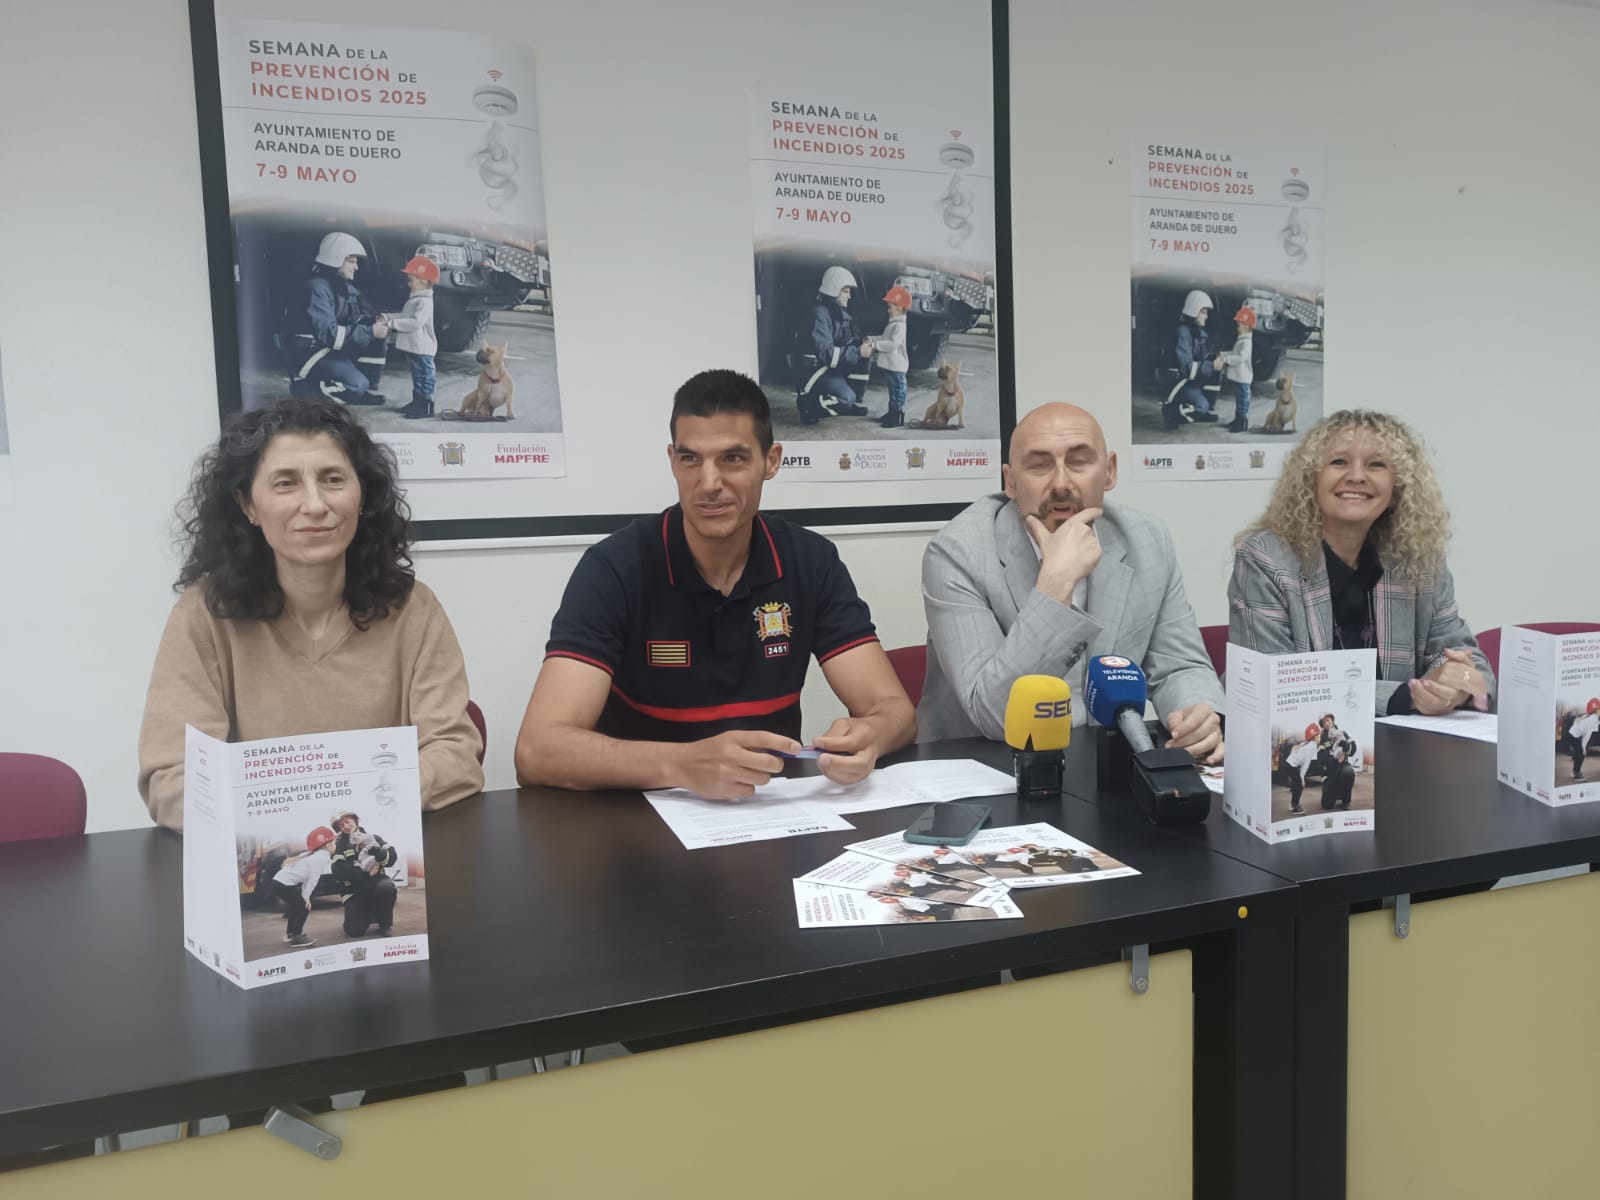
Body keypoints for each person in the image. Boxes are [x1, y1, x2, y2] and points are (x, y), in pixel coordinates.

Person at [514, 369, 916, 798]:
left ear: (772, 461)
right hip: (635, 829)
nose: (708, 484)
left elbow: (896, 712)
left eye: (733, 459)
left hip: (770, 823)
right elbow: (538, 750)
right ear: (672, 460)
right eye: (691, 459)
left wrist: (870, 735)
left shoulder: (809, 561)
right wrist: (683, 764)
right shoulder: (615, 567)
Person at [137, 396, 484, 831]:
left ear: (362, 496)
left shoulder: (415, 608)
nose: (316, 504)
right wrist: (313, 815)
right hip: (259, 861)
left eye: (333, 479)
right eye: (285, 483)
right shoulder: (204, 615)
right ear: (248, 505)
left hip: (386, 856)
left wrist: (344, 810)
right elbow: (174, 778)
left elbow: (455, 753)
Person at [919, 402, 1224, 762]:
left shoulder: (1147, 539)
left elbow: (1179, 665)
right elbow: (995, 715)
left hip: (1103, 763)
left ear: (1109, 472)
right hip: (986, 769)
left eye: (1079, 462)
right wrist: (1055, 583)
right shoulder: (958, 553)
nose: (1061, 483)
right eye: (1039, 465)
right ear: (1011, 482)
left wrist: (1199, 713)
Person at [1229, 409, 1494, 716]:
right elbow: (1275, 684)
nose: (1356, 476)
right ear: (1310, 477)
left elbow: (1463, 657)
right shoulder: (1265, 558)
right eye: (1338, 462)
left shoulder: (1420, 557)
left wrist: (1456, 681)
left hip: (1408, 750)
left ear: (1399, 484)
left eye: (1376, 464)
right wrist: (1406, 695)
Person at [289, 232, 390, 404]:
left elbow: (353, 320)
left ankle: (363, 389)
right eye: (351, 261)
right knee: (357, 384)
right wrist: (369, 331)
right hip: (310, 352)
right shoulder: (317, 288)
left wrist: (373, 322)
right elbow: (329, 334)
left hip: (328, 348)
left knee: (378, 340)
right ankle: (305, 390)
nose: (356, 267)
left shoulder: (343, 286)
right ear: (334, 259)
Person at [798, 266, 872, 425]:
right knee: (846, 397)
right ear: (833, 290)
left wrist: (861, 343)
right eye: (845, 291)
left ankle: (850, 403)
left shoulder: (839, 313)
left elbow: (845, 342)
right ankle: (808, 405)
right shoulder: (819, 315)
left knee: (865, 357)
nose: (849, 296)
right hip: (814, 370)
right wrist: (857, 351)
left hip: (827, 367)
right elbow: (826, 354)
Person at [385, 256, 440, 420]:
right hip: (415, 347)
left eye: (411, 280)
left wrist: (391, 323)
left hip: (422, 348)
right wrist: (387, 317)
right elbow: (405, 316)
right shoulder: (416, 299)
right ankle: (417, 402)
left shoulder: (425, 301)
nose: (408, 284)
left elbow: (415, 322)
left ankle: (426, 406)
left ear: (424, 281)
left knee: (424, 377)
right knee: (418, 376)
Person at [328, 809, 398, 937]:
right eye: (341, 825)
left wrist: (379, 853)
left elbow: (391, 858)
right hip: (354, 891)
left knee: (387, 887)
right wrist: (365, 871)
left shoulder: (374, 838)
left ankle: (385, 924)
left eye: (347, 822)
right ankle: (368, 914)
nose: (346, 826)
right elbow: (338, 871)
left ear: (355, 820)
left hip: (376, 882)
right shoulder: (338, 846)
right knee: (354, 931)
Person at [269, 826, 335, 947]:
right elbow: (313, 879)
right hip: (283, 884)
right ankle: (296, 936)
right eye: (334, 842)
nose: (335, 845)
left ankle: (291, 934)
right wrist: (306, 898)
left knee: (297, 905)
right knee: (303, 906)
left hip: (278, 883)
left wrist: (305, 896)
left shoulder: (311, 855)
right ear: (328, 844)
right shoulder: (319, 858)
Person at [1164, 289, 1221, 429]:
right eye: (1204, 311)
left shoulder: (1200, 333)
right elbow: (1186, 368)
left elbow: (1204, 357)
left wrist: (1217, 359)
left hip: (1190, 380)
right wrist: (1211, 365)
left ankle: (1206, 410)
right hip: (1178, 382)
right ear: (1194, 310)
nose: (1206, 316)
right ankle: (1171, 411)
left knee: (1217, 372)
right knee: (1201, 407)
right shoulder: (1182, 332)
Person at [874, 285, 911, 428]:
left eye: (890, 307)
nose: (888, 310)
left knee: (898, 390)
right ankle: (892, 412)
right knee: (893, 390)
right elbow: (884, 337)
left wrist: (875, 345)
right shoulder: (894, 324)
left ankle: (897, 415)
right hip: (891, 365)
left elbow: (892, 343)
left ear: (900, 307)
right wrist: (872, 340)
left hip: (897, 365)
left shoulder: (900, 325)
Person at [1220, 306, 1255, 433]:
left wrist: (1225, 360)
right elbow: (1234, 352)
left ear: (1246, 326)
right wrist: (1224, 354)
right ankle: (1238, 419)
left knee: (1243, 400)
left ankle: (1242, 421)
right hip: (1240, 377)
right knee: (1239, 399)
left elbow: (1241, 357)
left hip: (1244, 377)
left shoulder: (1247, 342)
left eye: (1239, 325)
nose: (1237, 328)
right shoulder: (1242, 340)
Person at [1564, 700, 1600, 781]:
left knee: (1578, 753)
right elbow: (1587, 735)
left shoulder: (1589, 717)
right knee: (1581, 754)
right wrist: (1584, 748)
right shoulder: (1592, 719)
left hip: (1571, 734)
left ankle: (1574, 772)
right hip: (1573, 736)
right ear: (1596, 710)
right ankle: (1577, 774)